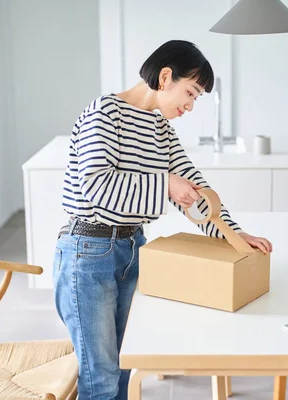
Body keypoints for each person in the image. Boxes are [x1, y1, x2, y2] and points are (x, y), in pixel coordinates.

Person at [52, 39, 273, 400]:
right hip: (87, 252)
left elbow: (195, 189)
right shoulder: (105, 112)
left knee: (124, 365)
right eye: (190, 92)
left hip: (131, 247)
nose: (190, 105)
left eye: (197, 98)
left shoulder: (159, 127)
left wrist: (234, 234)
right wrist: (166, 184)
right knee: (101, 377)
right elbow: (96, 185)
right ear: (166, 76)